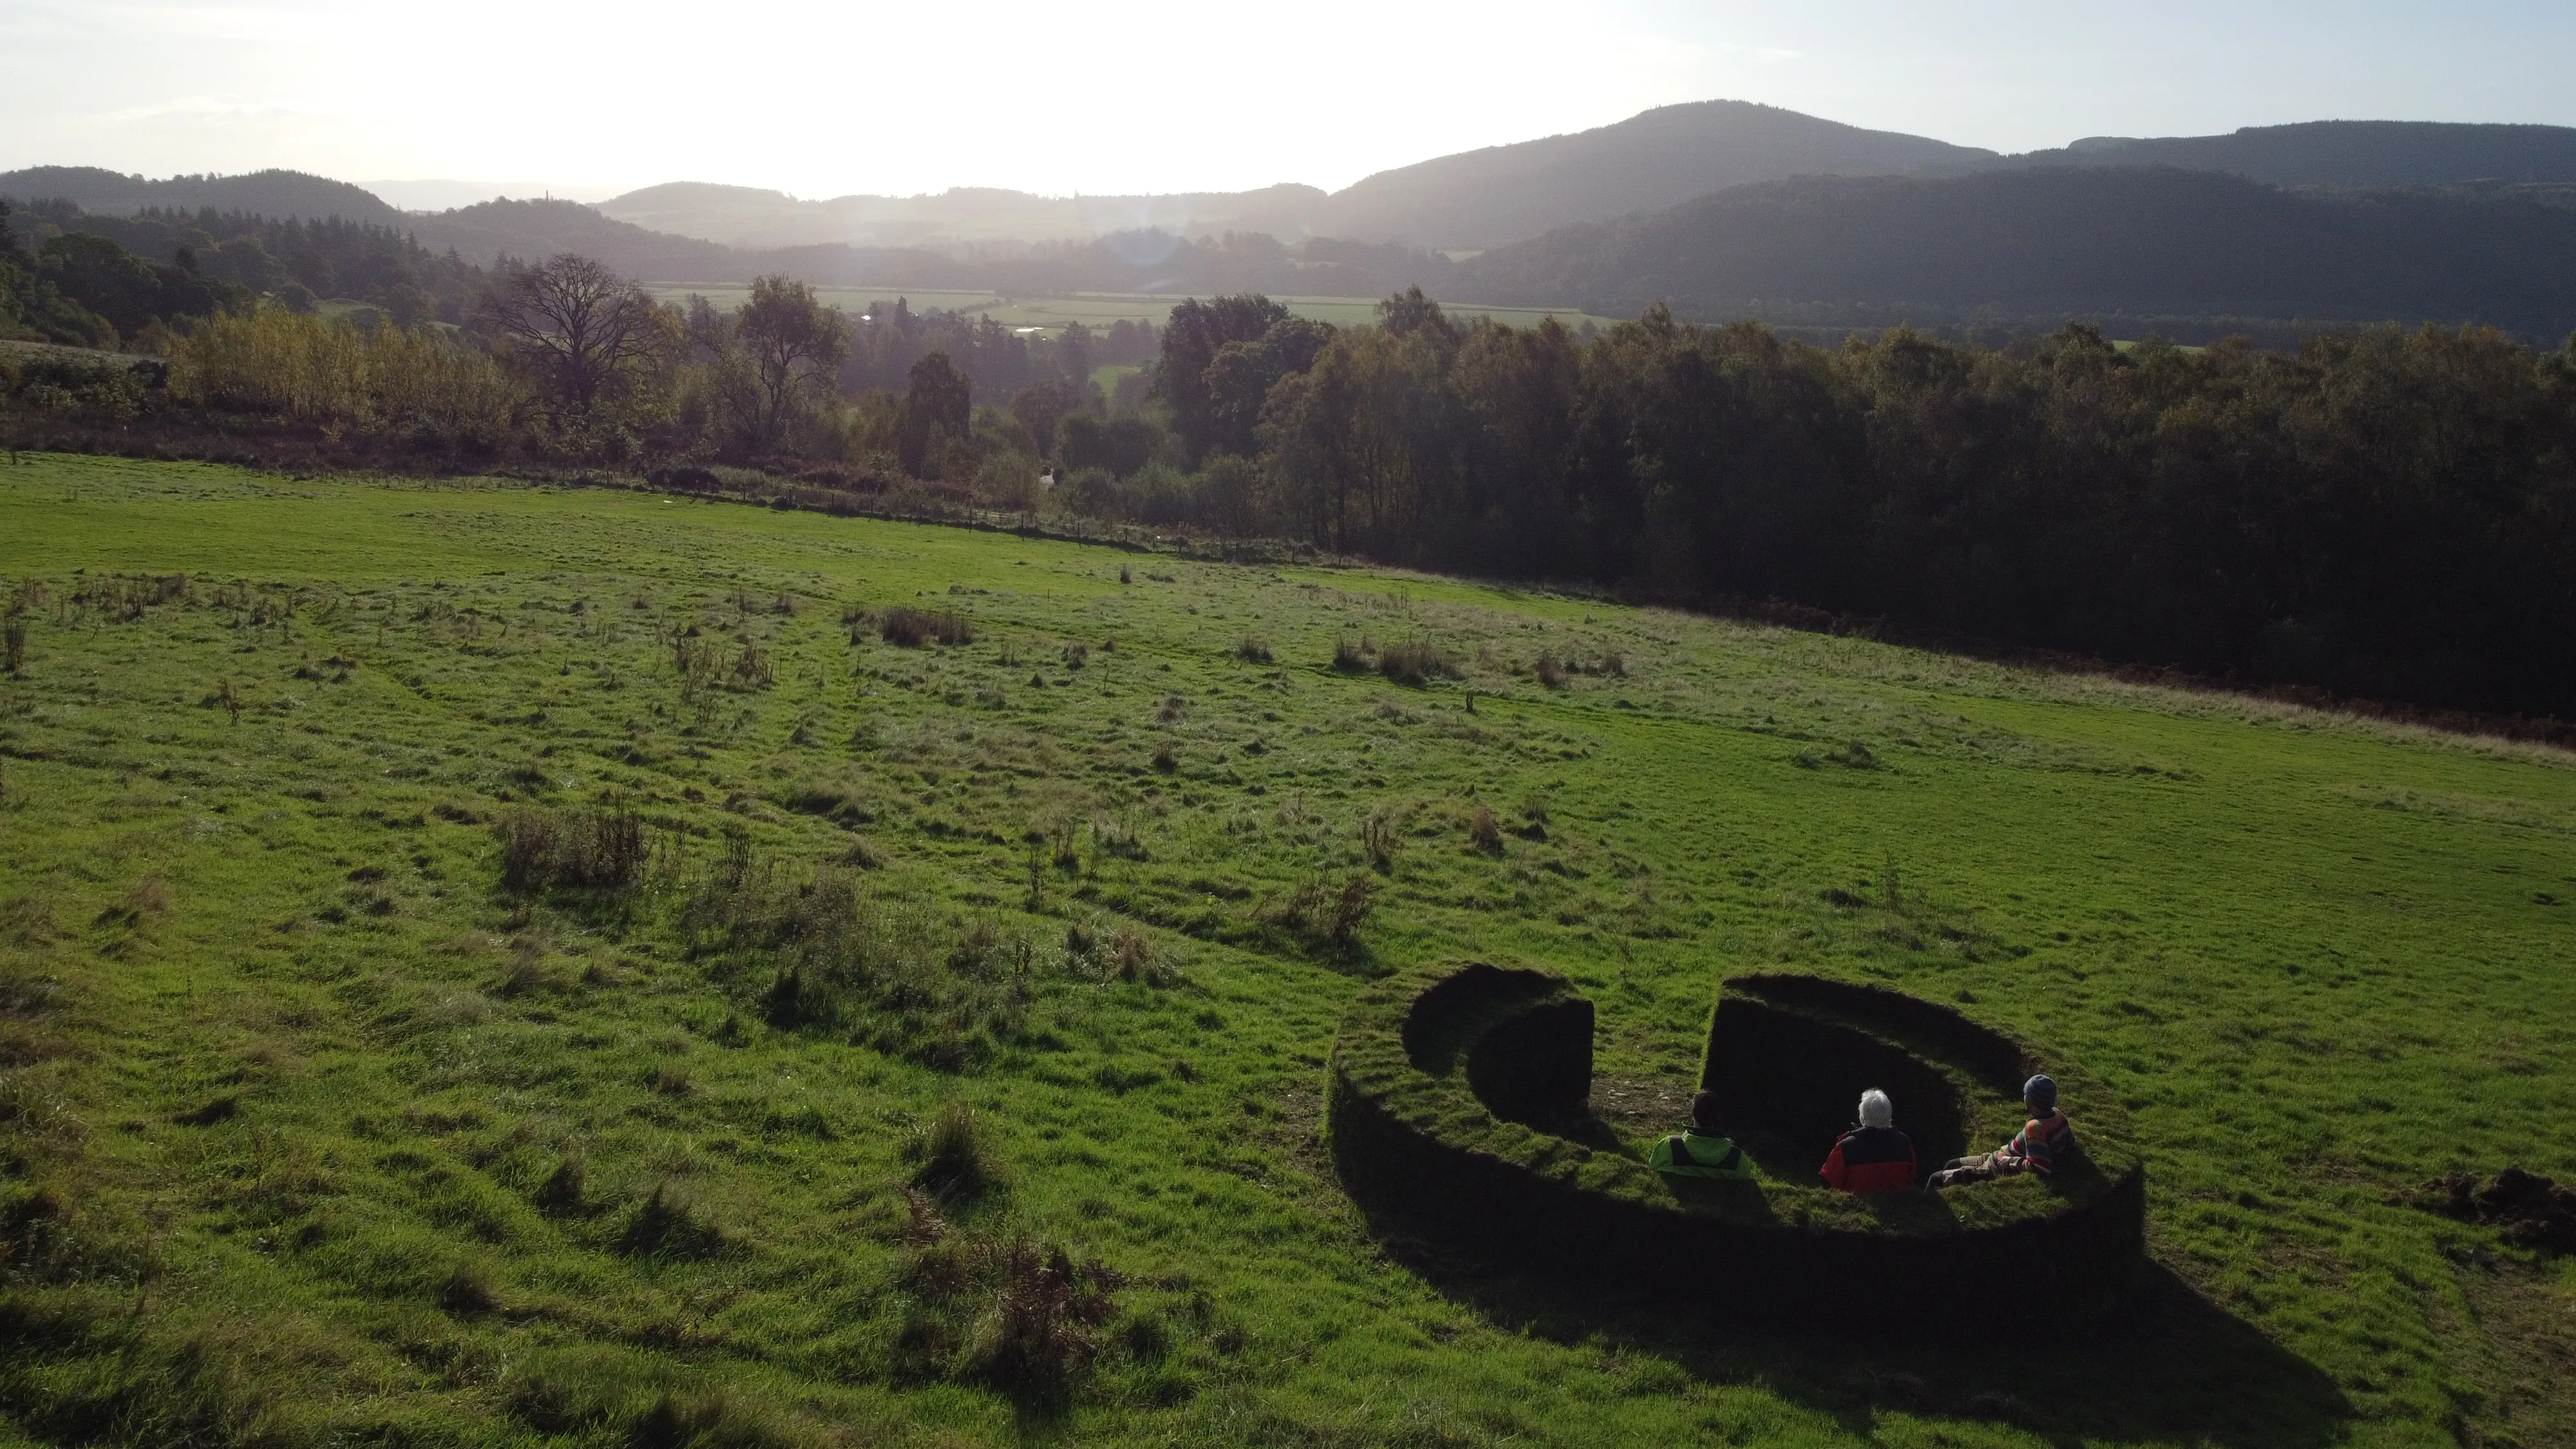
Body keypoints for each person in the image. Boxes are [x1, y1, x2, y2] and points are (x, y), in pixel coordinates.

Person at [1929, 1075, 2075, 1188]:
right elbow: (2070, 1141)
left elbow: (2041, 1168)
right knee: (1951, 1164)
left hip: (1995, 1168)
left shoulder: (2035, 1128)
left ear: (2030, 1101)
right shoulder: (2058, 1114)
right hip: (1994, 1156)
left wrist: (2010, 1162)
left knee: (1936, 1179)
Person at [1819, 1088, 1917, 1192]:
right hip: (1897, 1206)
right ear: (1889, 1115)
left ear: (1862, 1117)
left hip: (1857, 1206)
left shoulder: (1846, 1146)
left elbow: (1828, 1182)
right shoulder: (1904, 1142)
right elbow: (1911, 1176)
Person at [1649, 1090, 1754, 1180]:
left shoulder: (1669, 1146)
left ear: (1692, 1113)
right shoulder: (1737, 1158)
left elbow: (1651, 1171)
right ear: (1718, 1116)